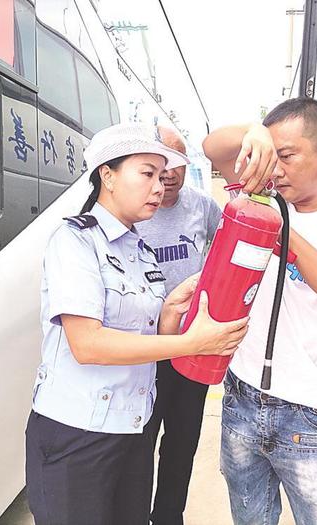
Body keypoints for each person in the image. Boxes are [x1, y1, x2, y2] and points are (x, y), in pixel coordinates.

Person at [24, 122, 249, 525]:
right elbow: (87, 344)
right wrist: (190, 343)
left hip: (132, 428)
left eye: (162, 175)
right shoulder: (75, 241)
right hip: (79, 433)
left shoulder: (140, 249)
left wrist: (169, 314)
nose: (160, 185)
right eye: (147, 173)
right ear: (107, 175)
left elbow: (143, 334)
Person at [202, 97, 317, 525]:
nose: (277, 170)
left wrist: (281, 229)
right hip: (242, 396)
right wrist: (254, 133)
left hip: (309, 414)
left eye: (287, 156)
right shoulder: (263, 194)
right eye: (271, 157)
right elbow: (213, 146)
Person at [136, 126, 222, 525]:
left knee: (182, 442)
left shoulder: (203, 208)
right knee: (138, 442)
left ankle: (169, 516)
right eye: (159, 164)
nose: (168, 174)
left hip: (190, 348)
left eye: (177, 163)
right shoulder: (133, 210)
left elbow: (227, 254)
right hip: (142, 350)